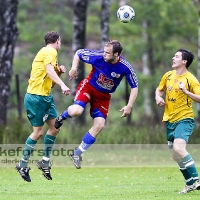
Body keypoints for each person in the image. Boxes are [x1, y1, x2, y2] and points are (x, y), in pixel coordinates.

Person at [54, 40, 138, 169]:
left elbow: (134, 87)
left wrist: (129, 106)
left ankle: (77, 153)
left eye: (108, 53)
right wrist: (74, 68)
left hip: (103, 97)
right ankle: (61, 117)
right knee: (76, 111)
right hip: (88, 87)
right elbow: (79, 53)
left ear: (117, 54)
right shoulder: (98, 57)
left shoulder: (125, 67)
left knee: (99, 126)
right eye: (104, 51)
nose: (104, 54)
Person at [16, 31, 70, 182]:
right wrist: (63, 84)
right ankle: (22, 164)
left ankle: (44, 162)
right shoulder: (49, 51)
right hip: (36, 97)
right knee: (38, 133)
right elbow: (48, 71)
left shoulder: (50, 55)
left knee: (55, 128)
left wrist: (59, 73)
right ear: (57, 41)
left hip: (46, 97)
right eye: (60, 41)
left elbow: (49, 79)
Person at [155, 49, 200, 194]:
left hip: (185, 119)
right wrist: (158, 98)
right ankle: (189, 183)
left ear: (184, 61)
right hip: (170, 120)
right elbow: (159, 89)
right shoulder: (168, 75)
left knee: (179, 148)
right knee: (174, 154)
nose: (173, 58)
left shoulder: (191, 79)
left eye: (177, 56)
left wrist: (186, 92)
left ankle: (197, 179)